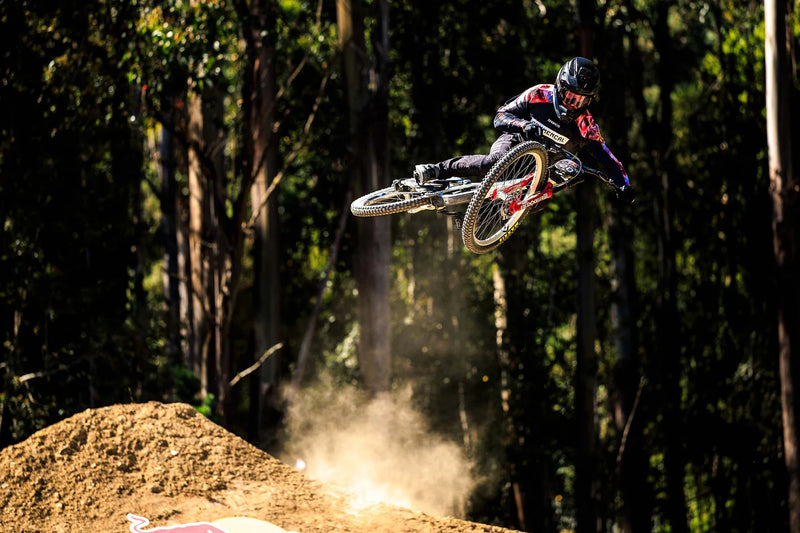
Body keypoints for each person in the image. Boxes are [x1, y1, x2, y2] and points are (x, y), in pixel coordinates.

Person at [413, 57, 635, 204]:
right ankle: (436, 170)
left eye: (580, 101)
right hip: (514, 143)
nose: (572, 105)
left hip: (540, 172)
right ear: (560, 86)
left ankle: (479, 219)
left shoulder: (586, 125)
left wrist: (624, 185)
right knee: (493, 163)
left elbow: (609, 160)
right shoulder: (539, 94)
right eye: (569, 96)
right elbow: (500, 116)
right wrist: (524, 126)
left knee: (548, 192)